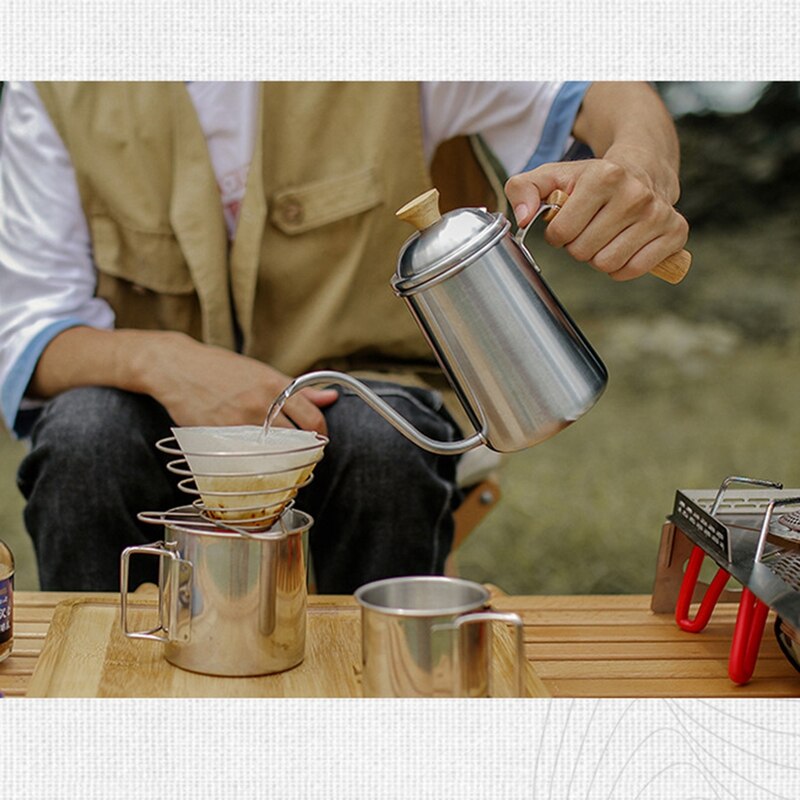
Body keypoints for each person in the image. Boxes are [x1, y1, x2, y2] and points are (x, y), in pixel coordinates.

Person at [0, 81, 688, 593]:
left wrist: (638, 169)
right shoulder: (54, 83)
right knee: (85, 439)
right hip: (153, 411)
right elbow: (30, 327)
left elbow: (604, 91)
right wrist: (165, 363)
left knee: (380, 448)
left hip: (364, 395)